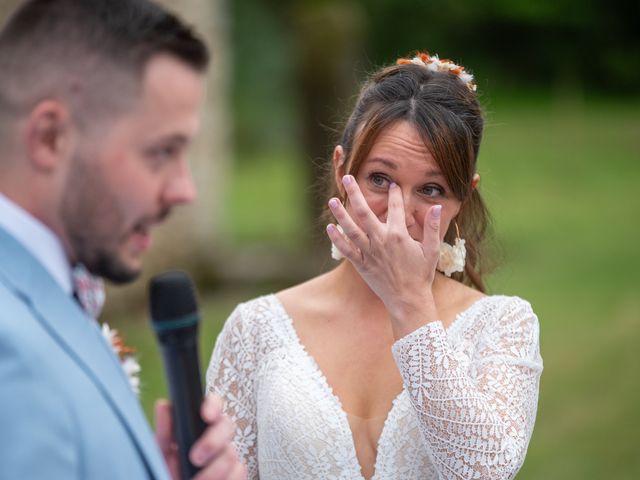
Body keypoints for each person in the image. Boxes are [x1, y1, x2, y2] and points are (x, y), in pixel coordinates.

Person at [206, 52, 543, 479]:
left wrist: (410, 304)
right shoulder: (254, 329)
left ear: (464, 197)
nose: (399, 213)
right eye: (380, 179)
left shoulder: (503, 325)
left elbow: (483, 472)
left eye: (432, 189)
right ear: (342, 167)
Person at [0, 1, 245, 479]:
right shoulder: (10, 352)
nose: (184, 190)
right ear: (50, 139)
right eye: (162, 151)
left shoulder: (44, 294)